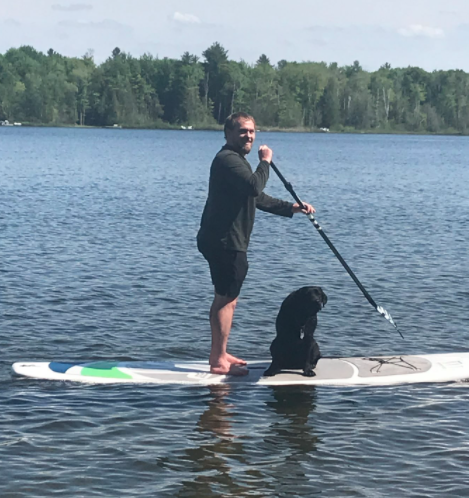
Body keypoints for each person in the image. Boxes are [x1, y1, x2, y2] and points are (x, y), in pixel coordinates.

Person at [197, 112, 315, 375]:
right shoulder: (228, 159)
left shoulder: (236, 161)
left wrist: (292, 208)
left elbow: (257, 198)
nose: (249, 136)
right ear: (228, 134)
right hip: (225, 242)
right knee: (225, 300)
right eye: (243, 131)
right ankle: (217, 361)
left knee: (228, 299)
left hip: (227, 241)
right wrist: (266, 163)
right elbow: (253, 186)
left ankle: (221, 352)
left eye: (252, 131)